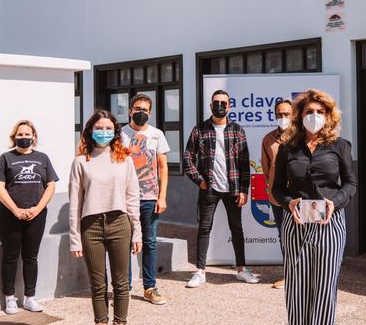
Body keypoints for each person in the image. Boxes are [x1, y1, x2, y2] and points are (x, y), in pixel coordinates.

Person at [272, 88, 357, 325]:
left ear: (329, 116)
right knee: (298, 288)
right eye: (309, 112)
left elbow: (350, 183)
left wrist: (337, 202)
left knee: (325, 288)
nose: (314, 116)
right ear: (300, 115)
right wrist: (289, 202)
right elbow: (277, 189)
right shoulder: (287, 148)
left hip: (329, 223)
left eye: (320, 112)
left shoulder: (339, 146)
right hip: (295, 223)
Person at [69, 110, 142, 325]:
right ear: (90, 130)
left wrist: (137, 233)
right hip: (91, 226)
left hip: (120, 223)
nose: (104, 132)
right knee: (97, 284)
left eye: (109, 128)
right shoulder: (81, 161)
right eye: (99, 128)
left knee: (121, 284)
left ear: (115, 132)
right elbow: (74, 203)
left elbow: (133, 198)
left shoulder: (124, 159)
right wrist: (74, 238)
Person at [183, 89, 257, 287]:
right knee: (204, 228)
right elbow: (187, 157)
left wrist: (244, 190)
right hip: (209, 189)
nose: (220, 106)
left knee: (237, 228)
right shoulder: (199, 130)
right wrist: (199, 180)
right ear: (210, 105)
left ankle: (241, 269)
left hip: (233, 189)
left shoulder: (237, 130)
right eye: (216, 102)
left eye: (224, 103)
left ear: (229, 106)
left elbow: (244, 162)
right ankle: (200, 271)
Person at [0, 120, 58, 315]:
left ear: (34, 136)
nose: (24, 138)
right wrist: (15, 210)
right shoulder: (5, 158)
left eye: (27, 134)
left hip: (36, 215)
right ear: (14, 137)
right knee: (10, 257)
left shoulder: (43, 158)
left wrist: (37, 208)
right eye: (20, 135)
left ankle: (30, 298)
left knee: (31, 257)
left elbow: (51, 185)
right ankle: (10, 298)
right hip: (10, 215)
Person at [121, 94, 170, 305]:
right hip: (124, 199)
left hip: (150, 198)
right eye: (137, 109)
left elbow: (162, 167)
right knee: (125, 244)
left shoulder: (157, 135)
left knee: (149, 243)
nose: (141, 113)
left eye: (145, 110)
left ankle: (150, 287)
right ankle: (125, 288)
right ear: (130, 110)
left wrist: (162, 197)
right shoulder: (119, 134)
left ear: (150, 113)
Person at [261, 98, 293, 289]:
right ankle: (289, 275)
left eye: (286, 114)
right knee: (284, 236)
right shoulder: (268, 139)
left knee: (304, 236)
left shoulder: (301, 137)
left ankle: (306, 275)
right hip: (277, 197)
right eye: (279, 114)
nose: (283, 117)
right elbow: (266, 170)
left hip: (300, 198)